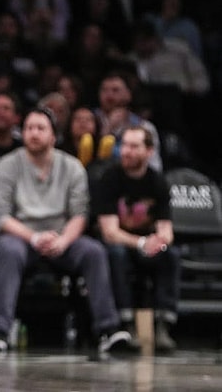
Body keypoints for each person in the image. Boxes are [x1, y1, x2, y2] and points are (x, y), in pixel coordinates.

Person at [0, 108, 130, 357]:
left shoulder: (72, 166)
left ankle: (108, 329)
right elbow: (0, 216)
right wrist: (34, 237)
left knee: (93, 252)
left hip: (61, 237)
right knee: (8, 251)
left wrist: (63, 241)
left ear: (53, 136)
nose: (34, 133)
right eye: (29, 128)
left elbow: (79, 214)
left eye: (40, 128)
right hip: (20, 236)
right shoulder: (7, 165)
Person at [96, 126, 179, 353]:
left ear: (149, 151)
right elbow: (109, 232)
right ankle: (126, 323)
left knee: (170, 254)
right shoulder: (109, 178)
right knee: (116, 253)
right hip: (120, 243)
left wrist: (159, 242)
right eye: (124, 145)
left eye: (134, 146)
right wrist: (142, 243)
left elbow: (166, 230)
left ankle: (163, 326)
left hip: (148, 244)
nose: (126, 151)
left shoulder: (158, 181)